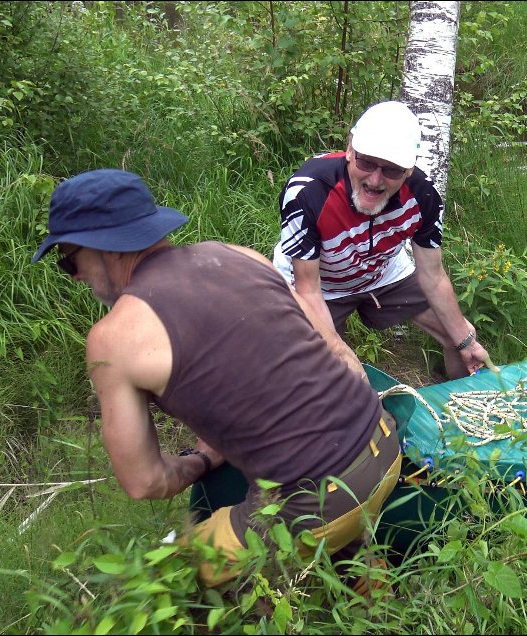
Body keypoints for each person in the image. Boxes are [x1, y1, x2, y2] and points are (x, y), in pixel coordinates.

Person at [32, 168, 401, 586]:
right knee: (320, 514)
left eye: (69, 259)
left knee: (171, 580)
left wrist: (202, 459)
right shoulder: (238, 254)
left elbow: (144, 482)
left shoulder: (113, 338)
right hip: (386, 445)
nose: (75, 274)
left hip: (320, 503)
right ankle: (371, 596)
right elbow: (329, 348)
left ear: (107, 247)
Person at [273, 100, 493, 379]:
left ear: (409, 169)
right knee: (324, 371)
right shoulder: (308, 191)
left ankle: (463, 408)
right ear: (350, 151)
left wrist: (466, 342)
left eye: (391, 170)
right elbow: (309, 289)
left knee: (460, 333)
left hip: (383, 270)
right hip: (320, 285)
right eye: (366, 162)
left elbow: (433, 276)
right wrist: (343, 357)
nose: (375, 180)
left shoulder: (423, 196)